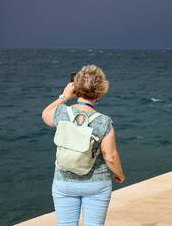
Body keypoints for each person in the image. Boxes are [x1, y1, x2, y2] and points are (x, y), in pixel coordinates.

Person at [42, 65, 125, 226]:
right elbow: (110, 157)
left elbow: (45, 114)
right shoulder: (104, 121)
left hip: (64, 182)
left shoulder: (61, 112)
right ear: (100, 91)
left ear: (76, 87)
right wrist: (119, 174)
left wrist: (64, 96)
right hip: (96, 183)